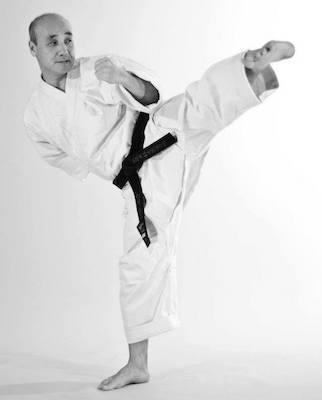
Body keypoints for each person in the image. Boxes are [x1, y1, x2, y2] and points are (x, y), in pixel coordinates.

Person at [23, 12, 295, 391]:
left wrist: (122, 79)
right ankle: (137, 365)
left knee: (193, 107)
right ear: (32, 48)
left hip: (154, 133)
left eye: (69, 39)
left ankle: (253, 65)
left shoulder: (93, 70)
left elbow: (150, 96)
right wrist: (110, 169)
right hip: (138, 186)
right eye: (52, 41)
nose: (65, 48)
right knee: (136, 266)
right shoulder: (36, 117)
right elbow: (66, 159)